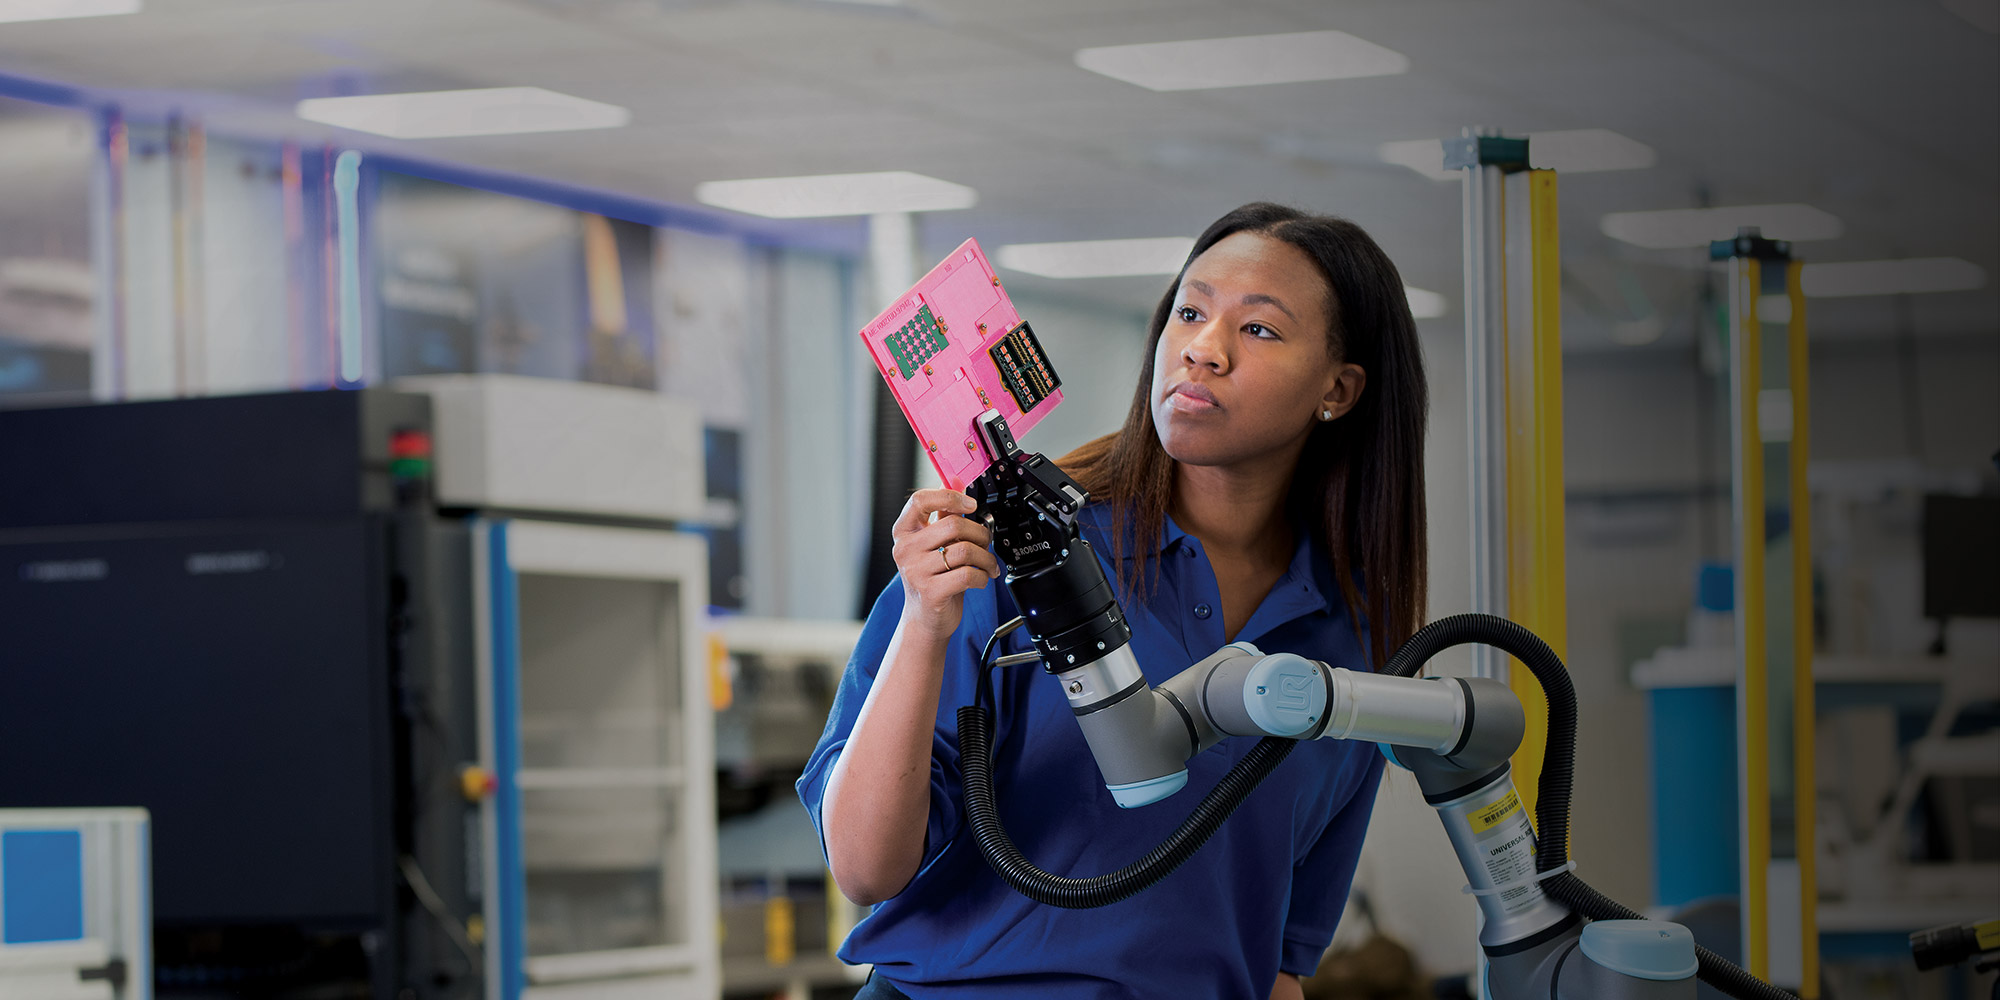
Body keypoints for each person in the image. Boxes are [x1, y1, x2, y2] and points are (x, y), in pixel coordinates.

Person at [798, 202, 1430, 1000]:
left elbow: (1275, 963)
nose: (1203, 350)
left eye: (1259, 330)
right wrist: (926, 624)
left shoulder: (1351, 635)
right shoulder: (1007, 548)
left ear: (1338, 390)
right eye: (1190, 312)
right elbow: (864, 867)